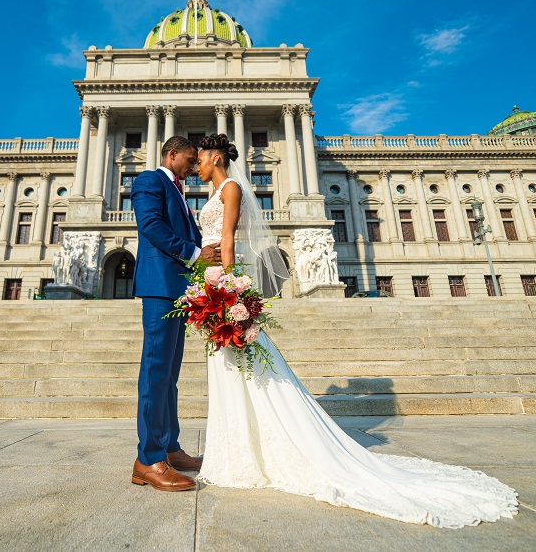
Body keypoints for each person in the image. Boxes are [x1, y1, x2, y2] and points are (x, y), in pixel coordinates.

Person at [193, 133, 519, 528]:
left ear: (214, 157)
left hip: (222, 283)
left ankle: (249, 453)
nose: (195, 164)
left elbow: (227, 240)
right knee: (231, 369)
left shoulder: (230, 189)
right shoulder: (217, 191)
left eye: (200, 158)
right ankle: (236, 453)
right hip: (210, 280)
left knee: (241, 366)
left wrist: (227, 288)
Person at [130, 136, 220, 492]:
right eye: (189, 158)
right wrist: (195, 254)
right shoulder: (150, 180)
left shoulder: (178, 191)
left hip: (177, 289)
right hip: (159, 287)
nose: (194, 164)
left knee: (168, 375)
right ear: (171, 153)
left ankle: (169, 447)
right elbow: (150, 227)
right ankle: (148, 459)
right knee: (155, 371)